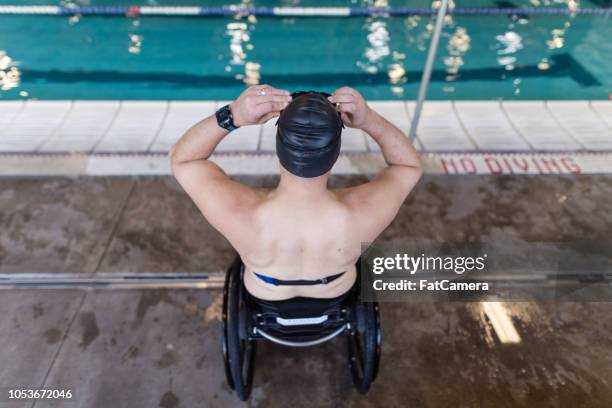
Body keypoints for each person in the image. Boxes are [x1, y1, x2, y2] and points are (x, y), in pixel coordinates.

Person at [169, 85, 421, 301]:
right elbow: (407, 166)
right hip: (334, 292)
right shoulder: (362, 213)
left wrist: (233, 114)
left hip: (266, 294)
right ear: (334, 154)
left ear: (279, 148)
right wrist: (369, 120)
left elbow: (184, 161)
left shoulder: (240, 213)